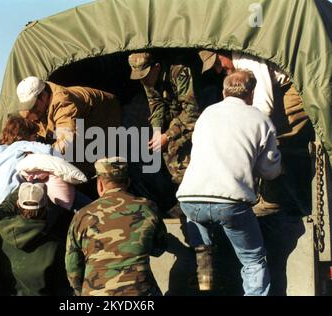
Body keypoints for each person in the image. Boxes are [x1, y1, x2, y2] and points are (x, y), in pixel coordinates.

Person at [177, 70, 282, 296]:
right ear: (252, 93)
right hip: (230, 202)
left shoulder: (207, 113)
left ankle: (205, 291)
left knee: (203, 254)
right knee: (253, 260)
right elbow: (270, 172)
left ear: (224, 92)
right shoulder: (260, 120)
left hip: (190, 200)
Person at [65, 157, 167, 296]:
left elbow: (72, 265)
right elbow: (159, 248)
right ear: (128, 182)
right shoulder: (148, 208)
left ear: (100, 184)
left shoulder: (83, 215)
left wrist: (80, 291)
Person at [128, 51, 201, 185]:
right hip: (177, 113)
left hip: (199, 111)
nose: (143, 80)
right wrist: (157, 131)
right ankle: (181, 185)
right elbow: (155, 103)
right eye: (140, 77)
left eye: (145, 75)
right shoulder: (147, 78)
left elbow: (192, 112)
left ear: (157, 67)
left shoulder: (179, 72)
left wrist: (168, 136)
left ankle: (190, 186)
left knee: (176, 146)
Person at [0, 182, 72, 296]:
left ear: (18, 205)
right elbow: (62, 288)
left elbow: (1, 210)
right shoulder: (57, 246)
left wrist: (22, 187)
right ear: (46, 208)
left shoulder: (0, 230)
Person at [16, 76, 122, 160]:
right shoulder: (32, 107)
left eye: (34, 107)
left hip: (108, 118)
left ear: (43, 96)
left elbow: (67, 141)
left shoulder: (63, 102)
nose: (30, 113)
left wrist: (40, 155)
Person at [0, 115, 56, 224]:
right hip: (10, 212)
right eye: (34, 136)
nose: (36, 139)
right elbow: (50, 151)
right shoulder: (21, 145)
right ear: (23, 135)